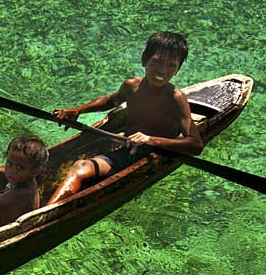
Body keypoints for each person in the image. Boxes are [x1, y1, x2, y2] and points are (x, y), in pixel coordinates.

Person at [47, 31, 203, 204]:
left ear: (177, 70)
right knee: (81, 167)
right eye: (157, 62)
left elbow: (195, 144)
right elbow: (109, 101)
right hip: (126, 148)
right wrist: (78, 111)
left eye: (171, 66)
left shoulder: (176, 98)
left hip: (150, 154)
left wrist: (151, 140)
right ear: (144, 59)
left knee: (80, 167)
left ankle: (41, 216)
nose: (162, 71)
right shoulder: (131, 86)